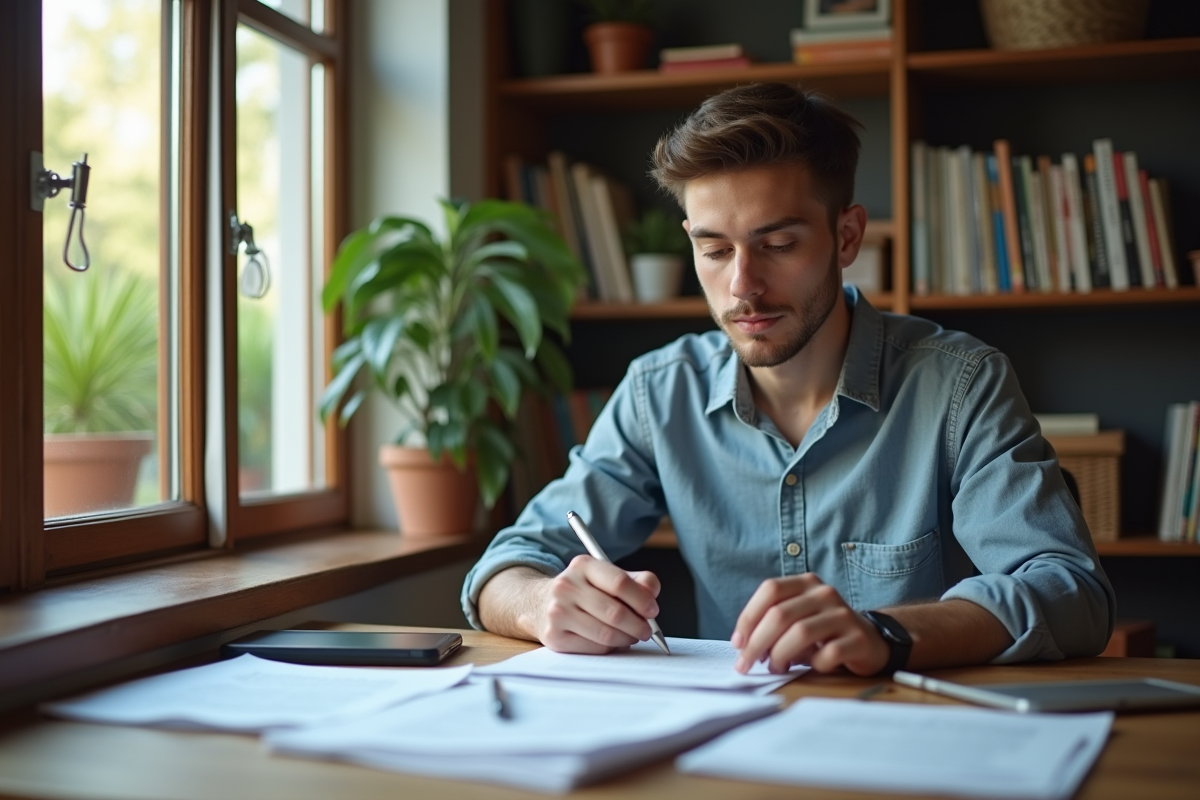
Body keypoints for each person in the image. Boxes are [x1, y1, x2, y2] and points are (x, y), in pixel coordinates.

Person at [461, 82, 1114, 677]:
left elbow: (1071, 590)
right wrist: (542, 602)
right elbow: (503, 566)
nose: (742, 285)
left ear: (847, 236)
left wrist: (886, 632)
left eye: (777, 245)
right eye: (715, 250)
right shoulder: (659, 394)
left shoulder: (961, 385)